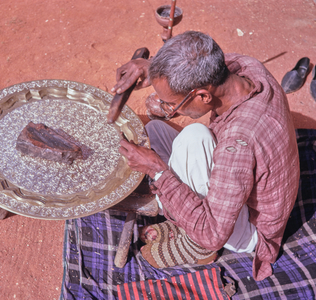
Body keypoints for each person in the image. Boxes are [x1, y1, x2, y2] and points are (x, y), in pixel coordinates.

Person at [110, 31, 300, 281]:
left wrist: (157, 170)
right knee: (154, 131)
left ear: (202, 95)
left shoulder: (238, 142)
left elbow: (214, 233)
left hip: (246, 229)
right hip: (238, 182)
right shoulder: (247, 67)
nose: (167, 108)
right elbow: (195, 62)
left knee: (192, 138)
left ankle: (196, 247)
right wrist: (152, 66)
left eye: (171, 104)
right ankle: (186, 209)